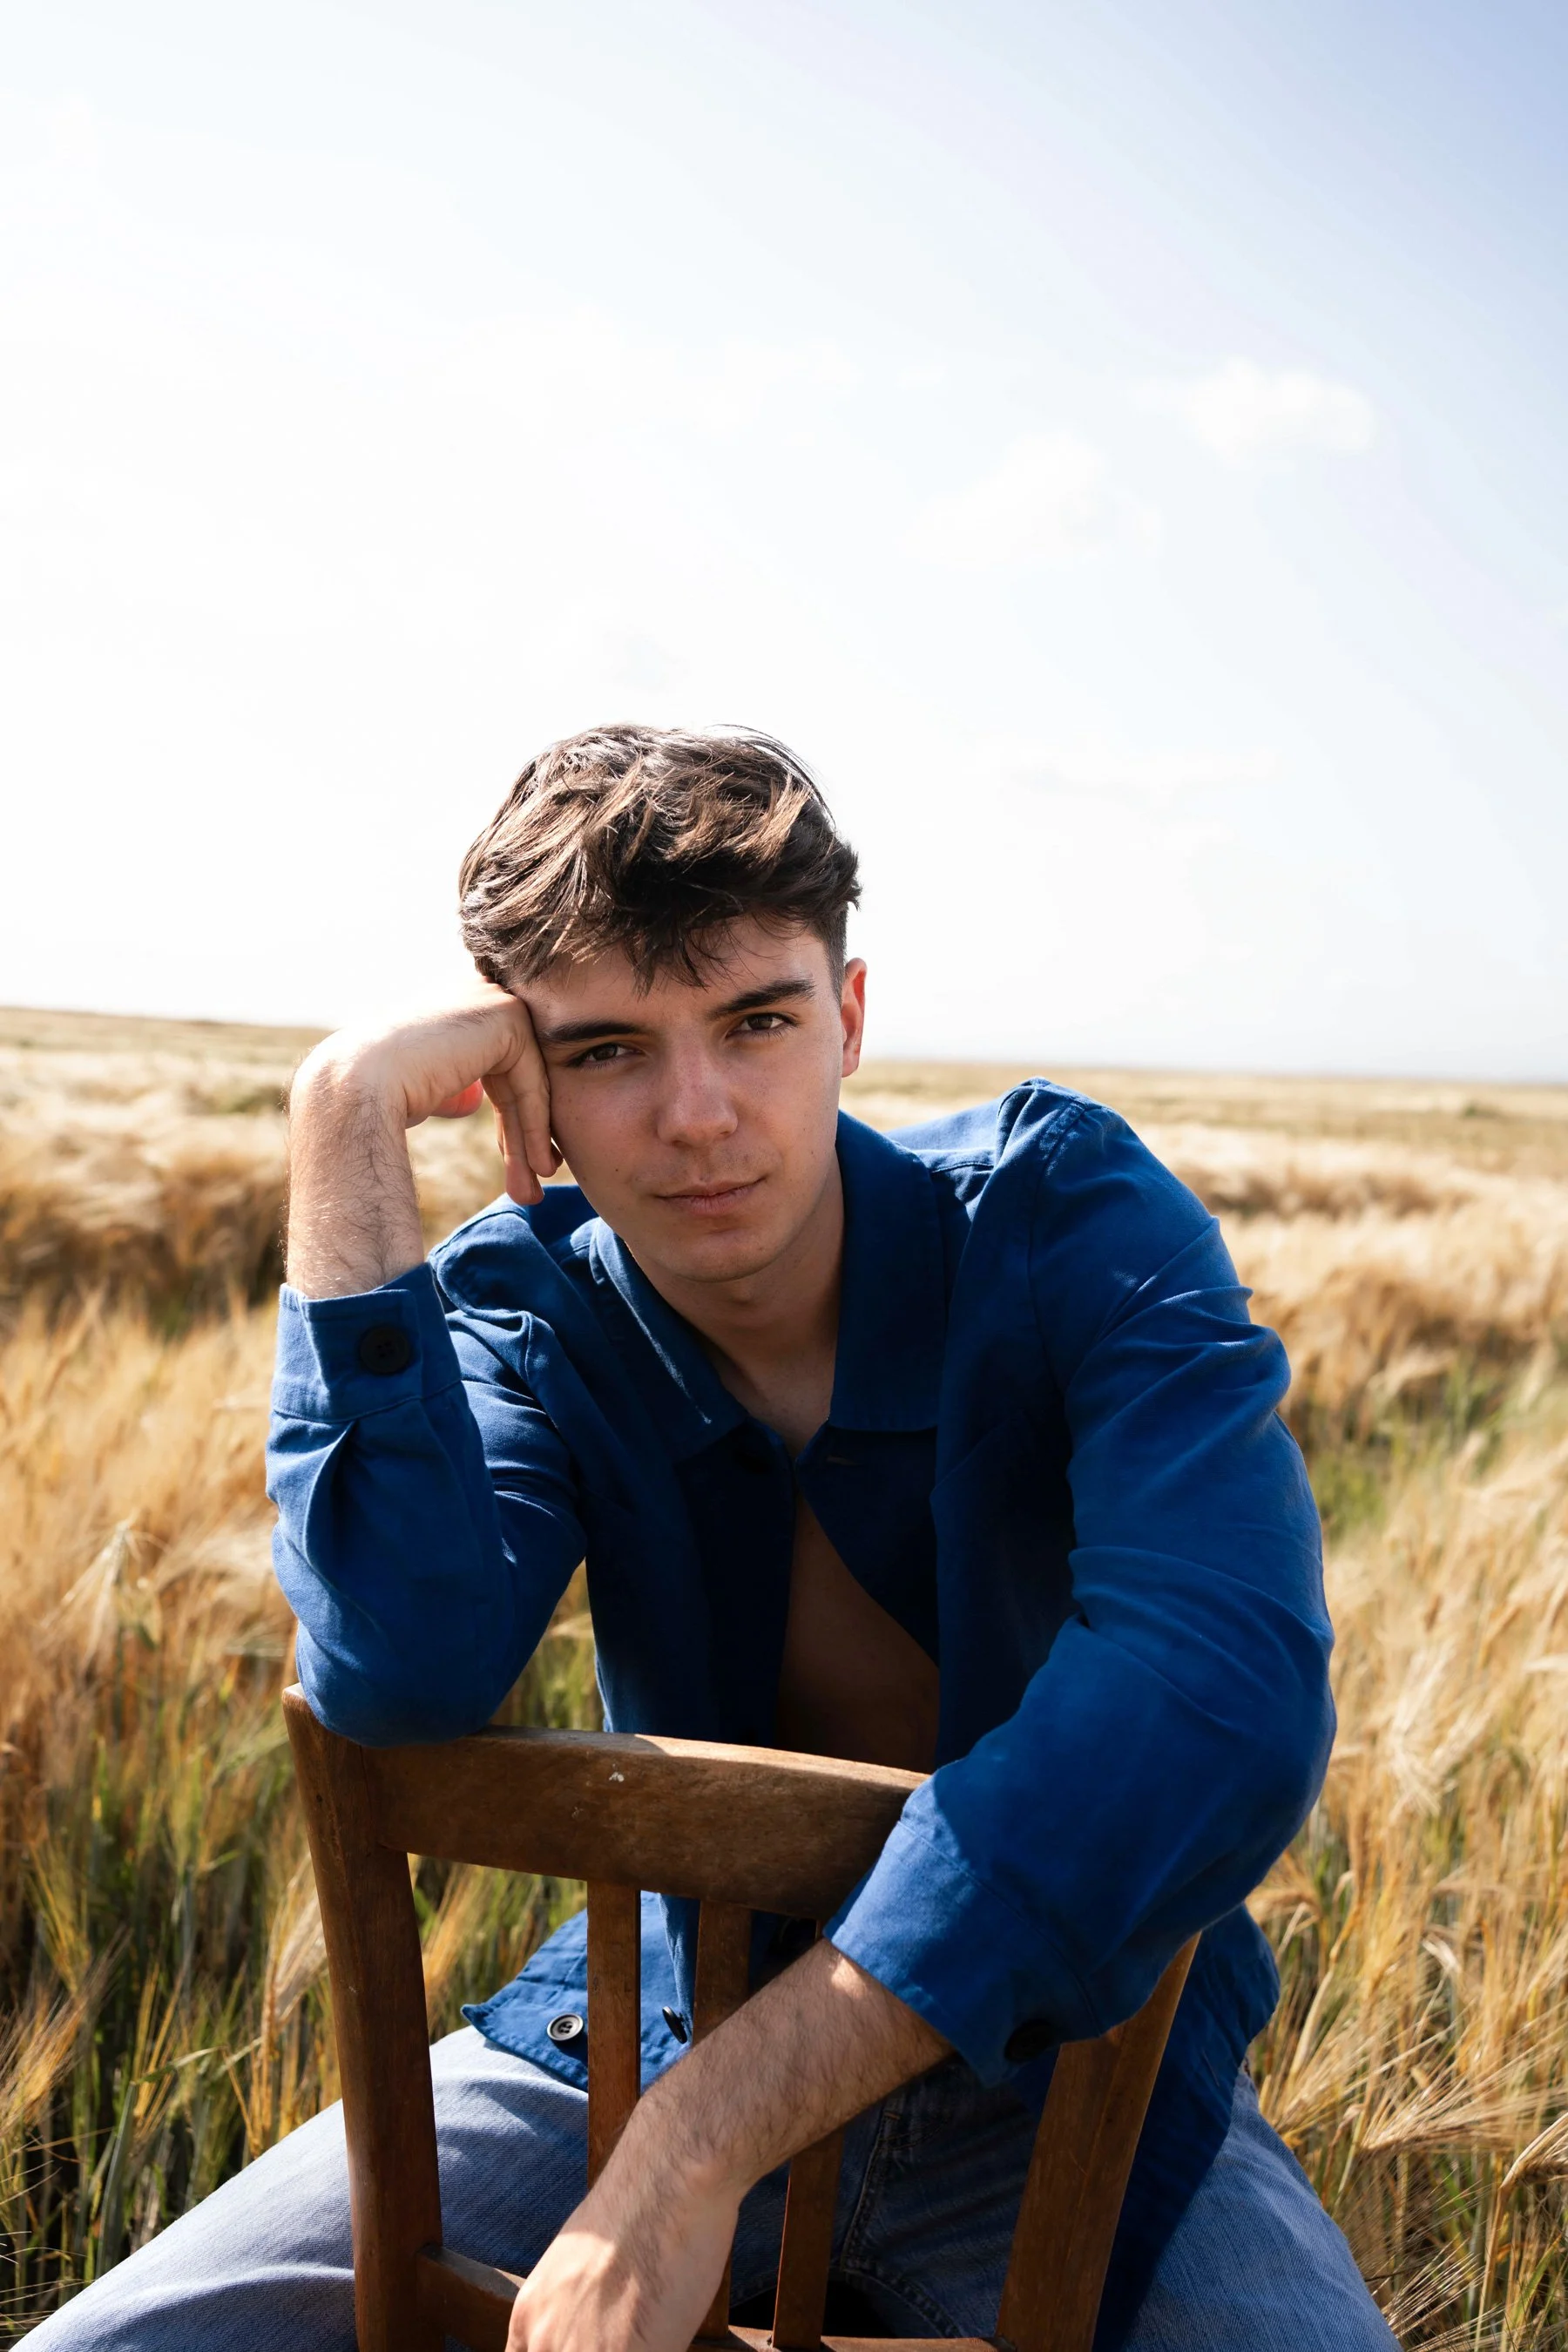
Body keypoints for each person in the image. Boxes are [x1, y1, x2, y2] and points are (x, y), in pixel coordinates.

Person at [27, 726, 1396, 2351]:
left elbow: (1220, 1694)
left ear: (853, 1019)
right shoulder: (524, 1304)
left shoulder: (1064, 1214)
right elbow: (400, 1669)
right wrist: (340, 1125)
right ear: (517, 1086)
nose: (695, 1115)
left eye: (756, 1022)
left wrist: (697, 2142)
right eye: (605, 1051)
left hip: (1073, 2058)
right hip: (636, 2022)